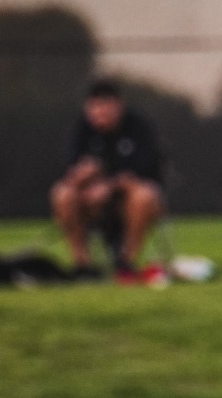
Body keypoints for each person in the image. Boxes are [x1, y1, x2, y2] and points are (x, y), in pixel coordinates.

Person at [49, 78, 167, 282]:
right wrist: (82, 179)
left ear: (118, 106)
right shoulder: (82, 130)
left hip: (129, 205)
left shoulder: (137, 127)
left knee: (144, 195)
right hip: (91, 205)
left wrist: (109, 187)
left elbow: (144, 173)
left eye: (106, 108)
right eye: (95, 108)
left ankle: (126, 263)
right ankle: (82, 265)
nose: (100, 114)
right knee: (62, 194)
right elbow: (69, 172)